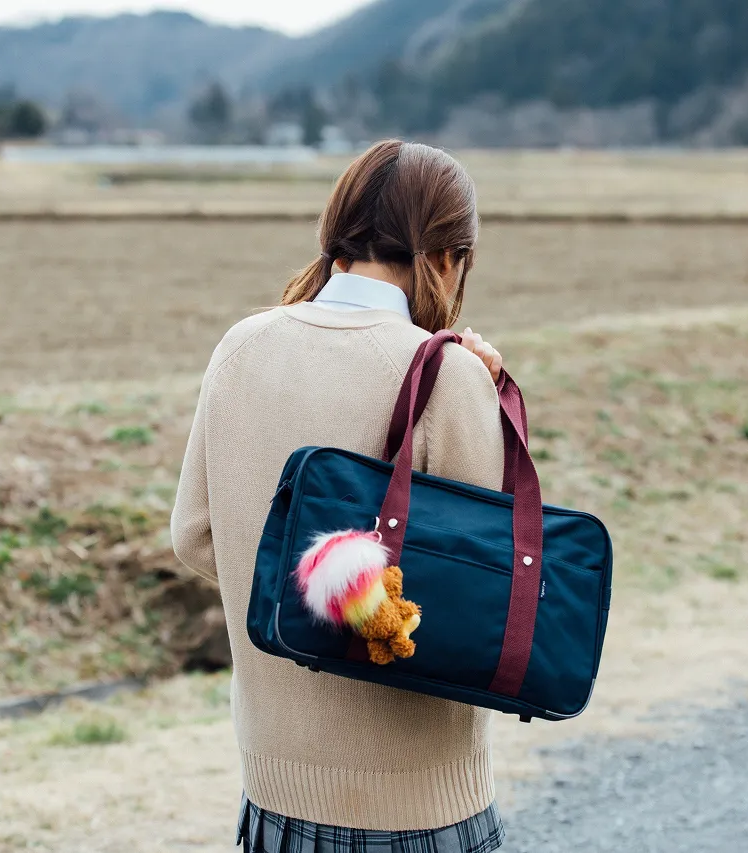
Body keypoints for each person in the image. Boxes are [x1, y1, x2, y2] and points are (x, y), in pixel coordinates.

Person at [171, 140, 509, 852]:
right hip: (420, 804)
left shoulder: (241, 346)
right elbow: (489, 585)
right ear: (447, 256)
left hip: (274, 793)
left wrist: (307, 604)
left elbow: (197, 534)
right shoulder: (445, 373)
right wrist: (487, 392)